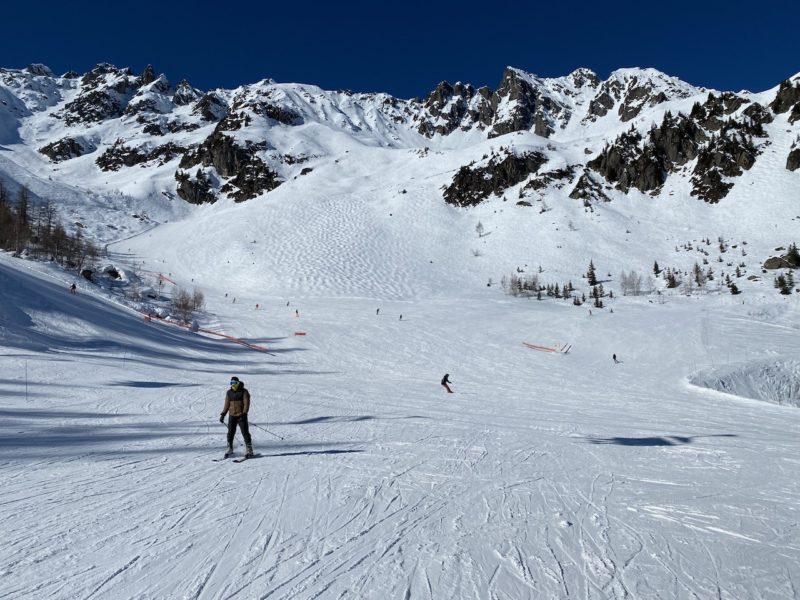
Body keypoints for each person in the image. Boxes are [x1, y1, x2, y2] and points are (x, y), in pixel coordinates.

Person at [219, 376, 254, 457]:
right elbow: (227, 404)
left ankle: (249, 449)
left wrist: (244, 413)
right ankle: (230, 448)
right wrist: (223, 414)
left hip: (241, 415)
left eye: (235, 383)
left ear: (238, 383)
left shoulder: (244, 391)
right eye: (231, 383)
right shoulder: (229, 392)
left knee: (245, 432)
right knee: (230, 433)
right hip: (232, 416)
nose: (233, 385)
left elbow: (246, 403)